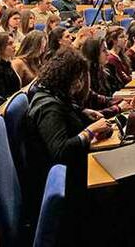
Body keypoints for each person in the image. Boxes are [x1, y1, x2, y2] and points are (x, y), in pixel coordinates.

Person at [21, 46, 111, 221]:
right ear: (68, 78)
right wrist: (89, 131)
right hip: (68, 184)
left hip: (76, 171)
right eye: (79, 78)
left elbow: (69, 118)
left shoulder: (56, 95)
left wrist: (83, 113)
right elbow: (60, 152)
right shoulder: (49, 107)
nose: (80, 83)